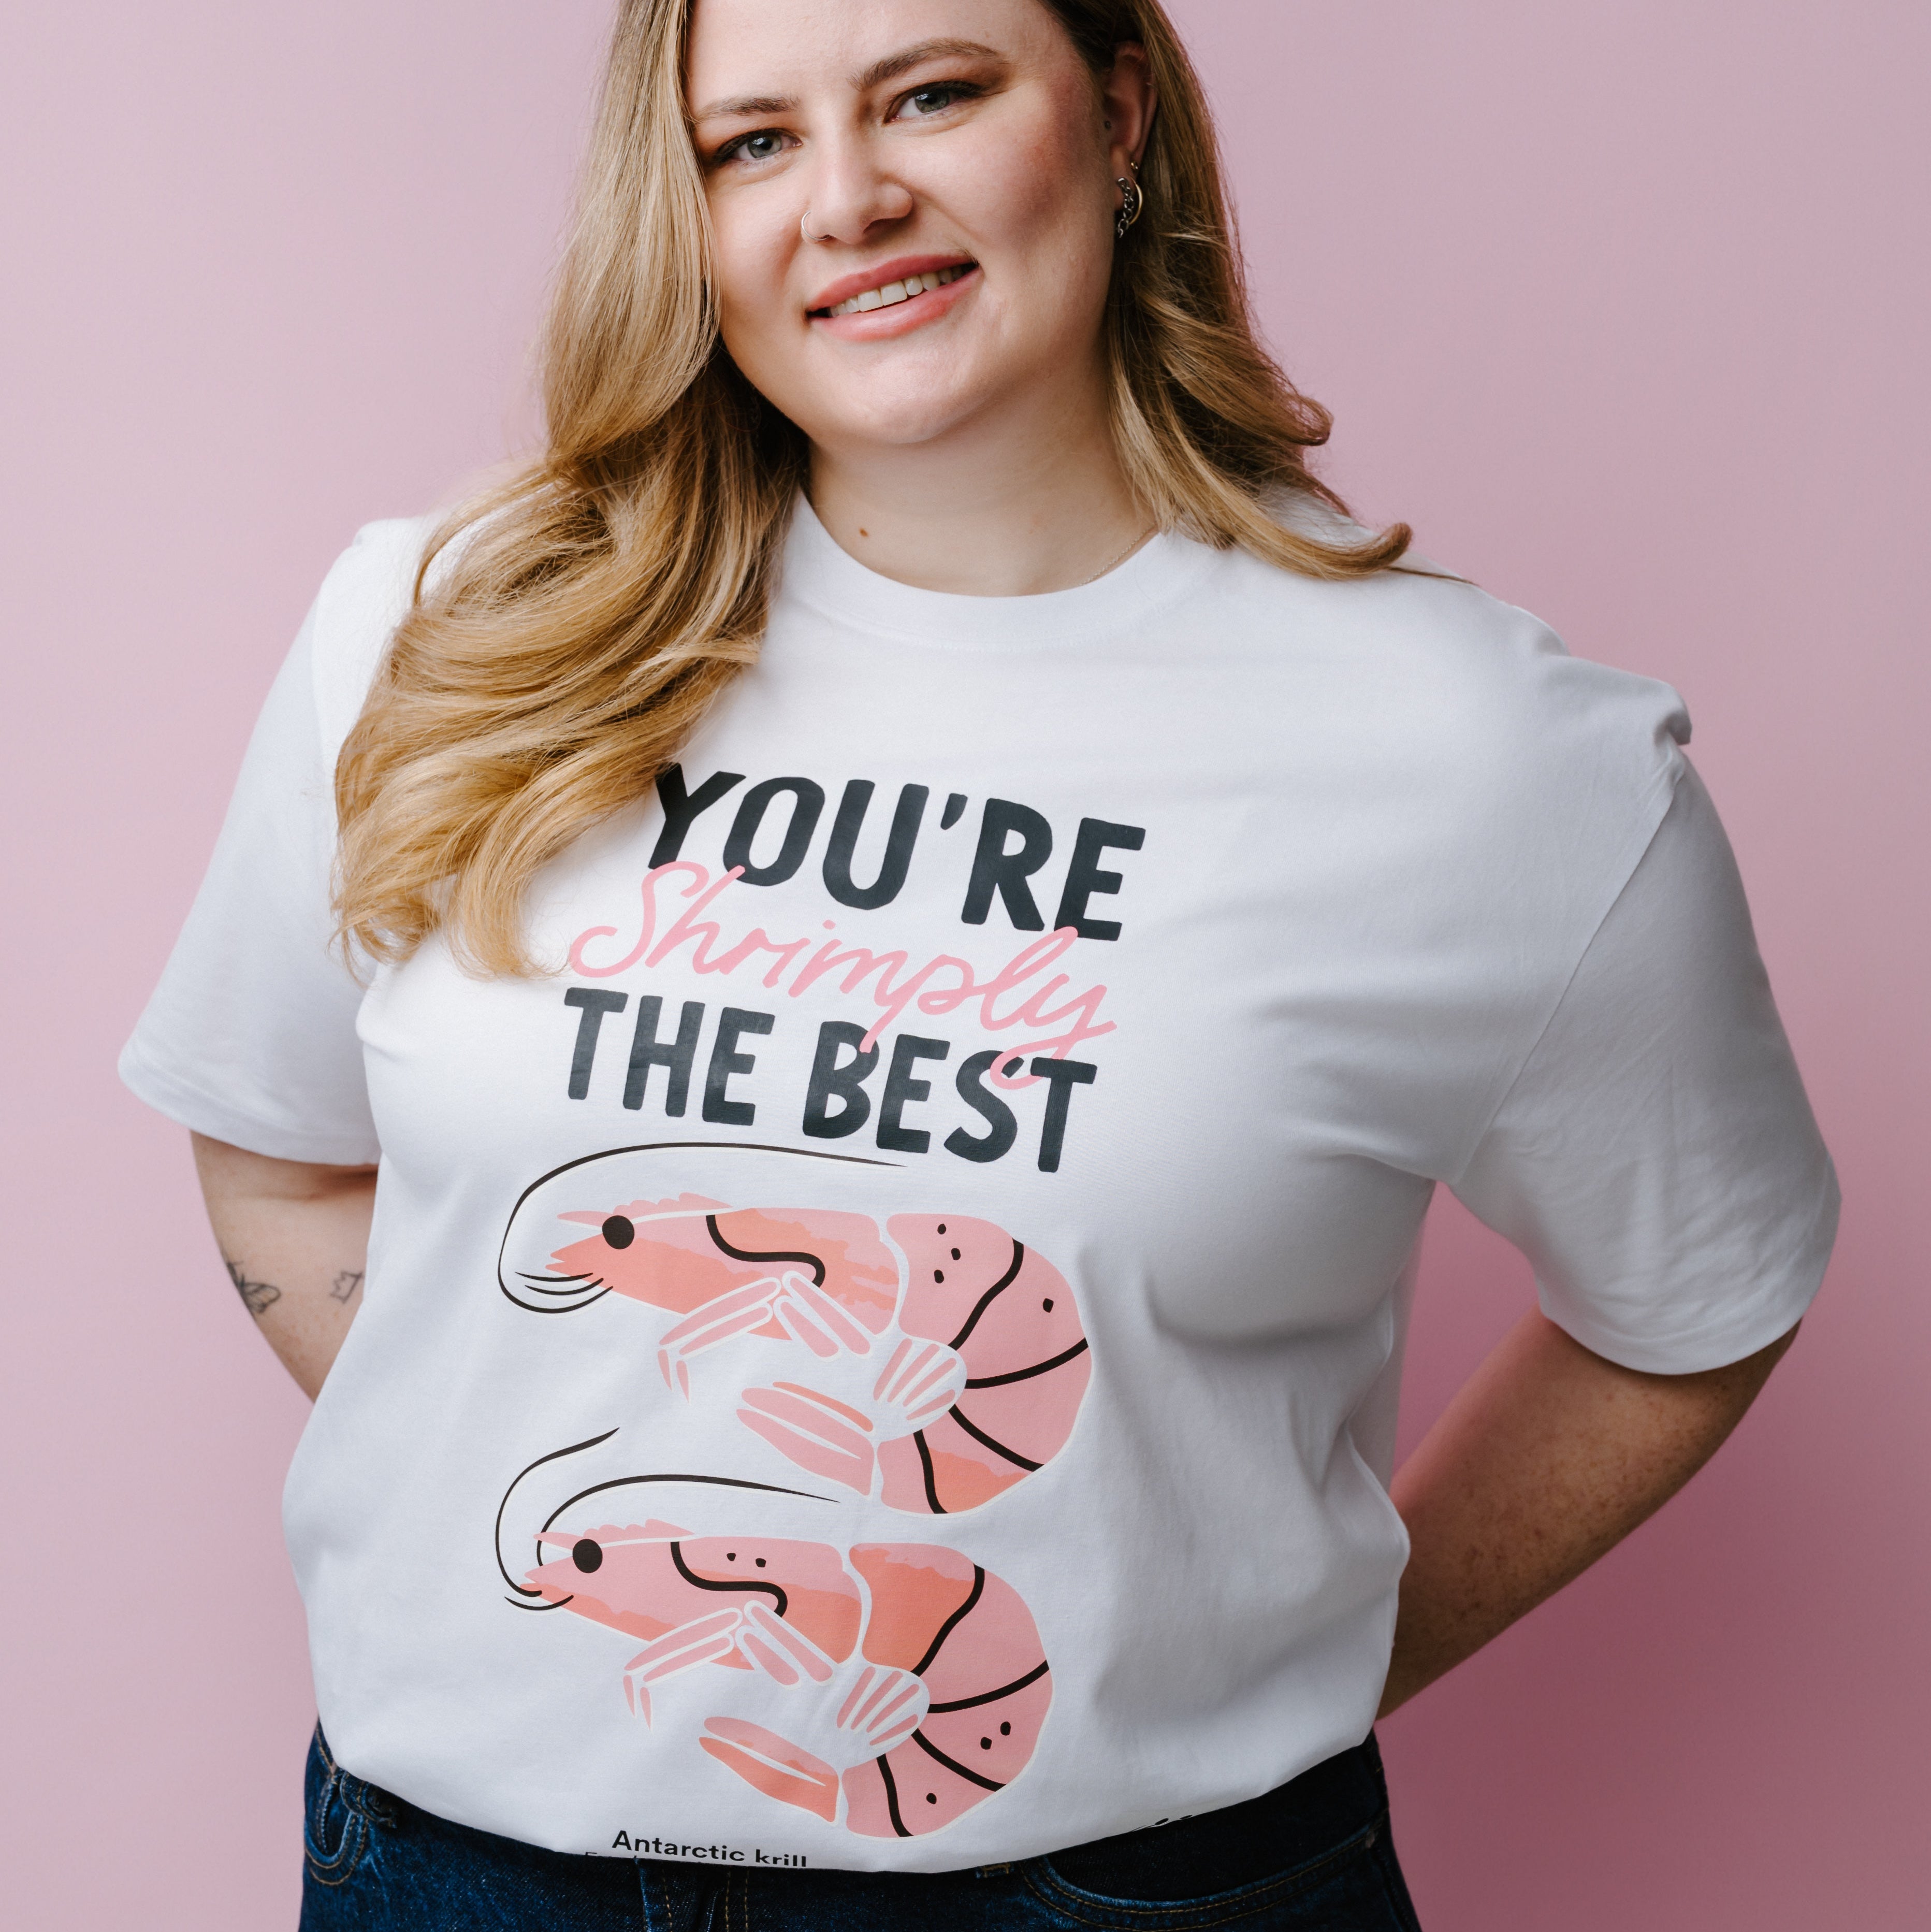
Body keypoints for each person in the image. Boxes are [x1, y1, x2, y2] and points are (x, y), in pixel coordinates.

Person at [121, 1, 1838, 1926]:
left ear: (1115, 118)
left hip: (1127, 1893)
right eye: (747, 142)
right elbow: (272, 1138)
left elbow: (1691, 1305)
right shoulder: (448, 629)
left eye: (930, 95)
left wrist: (1307, 1650)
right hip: (450, 1875)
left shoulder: (1485, 762)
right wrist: (536, 1435)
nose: (846, 199)